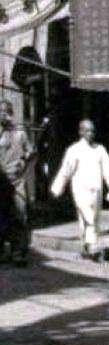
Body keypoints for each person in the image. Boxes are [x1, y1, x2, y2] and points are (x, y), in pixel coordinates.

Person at [50, 119, 109, 260]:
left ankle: (86, 247)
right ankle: (93, 246)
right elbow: (66, 170)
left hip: (96, 190)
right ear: (81, 132)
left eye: (92, 131)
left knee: (92, 218)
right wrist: (57, 188)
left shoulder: (100, 150)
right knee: (88, 216)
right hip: (80, 190)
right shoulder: (74, 150)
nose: (90, 133)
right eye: (87, 130)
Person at [0, 99, 35, 266]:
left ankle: (18, 252)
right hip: (1, 181)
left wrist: (24, 161)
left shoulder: (20, 133)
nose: (3, 115)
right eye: (1, 112)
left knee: (20, 215)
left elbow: (31, 152)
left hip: (17, 180)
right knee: (2, 216)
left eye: (6, 111)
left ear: (11, 114)